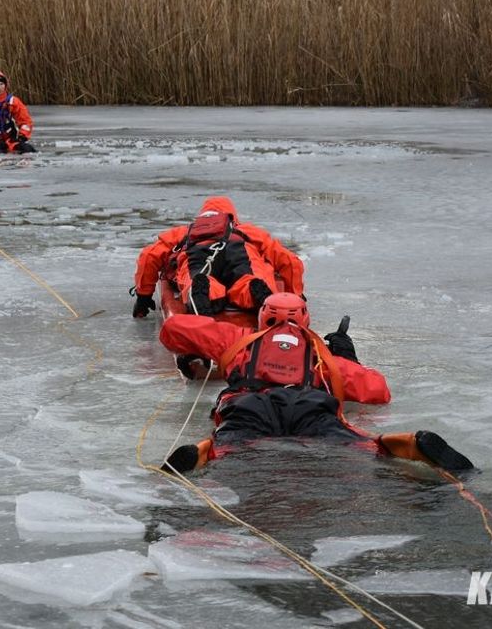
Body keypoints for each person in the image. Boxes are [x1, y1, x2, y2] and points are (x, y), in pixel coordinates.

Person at [157, 292, 474, 474]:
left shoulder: (237, 339)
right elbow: (378, 391)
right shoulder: (321, 356)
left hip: (249, 403)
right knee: (350, 441)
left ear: (263, 316)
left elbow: (173, 328)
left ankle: (201, 453)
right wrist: (348, 358)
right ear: (305, 319)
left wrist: (200, 344)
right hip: (310, 404)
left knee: (231, 442)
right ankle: (400, 443)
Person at [131, 196, 304, 319]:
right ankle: (252, 289)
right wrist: (294, 296)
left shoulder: (186, 231)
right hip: (240, 253)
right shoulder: (247, 231)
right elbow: (290, 261)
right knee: (249, 278)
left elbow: (149, 256)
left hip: (197, 256)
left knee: (199, 278)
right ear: (232, 216)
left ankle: (204, 291)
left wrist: (143, 296)